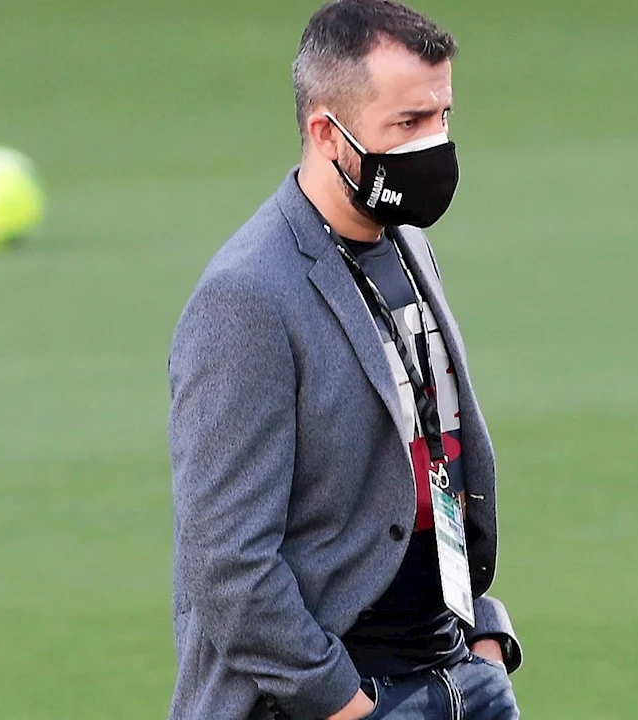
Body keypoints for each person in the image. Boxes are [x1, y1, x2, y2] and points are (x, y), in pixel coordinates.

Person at [166, 1, 521, 718]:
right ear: (327, 133)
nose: (437, 145)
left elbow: (432, 452)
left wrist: (482, 633)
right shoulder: (247, 298)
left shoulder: (404, 244)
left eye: (443, 117)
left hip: (460, 677)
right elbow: (229, 562)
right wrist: (344, 704)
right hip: (345, 698)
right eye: (409, 125)